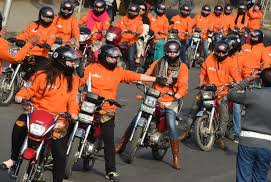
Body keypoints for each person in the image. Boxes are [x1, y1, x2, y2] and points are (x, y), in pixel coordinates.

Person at [80, 44, 164, 181]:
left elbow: (135, 76)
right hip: (87, 106)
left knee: (108, 140)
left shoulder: (118, 71)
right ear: (102, 56)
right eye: (111, 58)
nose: (114, 60)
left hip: (107, 109)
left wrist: (155, 79)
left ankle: (111, 171)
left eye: (116, 58)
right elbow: (78, 81)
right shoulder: (91, 69)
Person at [0, 46, 81, 182]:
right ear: (61, 61)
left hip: (58, 119)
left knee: (60, 153)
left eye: (74, 62)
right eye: (71, 61)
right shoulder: (41, 75)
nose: (74, 64)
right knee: (19, 125)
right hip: (36, 113)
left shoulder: (73, 80)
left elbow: (74, 98)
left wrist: (73, 112)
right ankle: (14, 158)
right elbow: (28, 88)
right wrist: (20, 95)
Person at [115, 40, 189, 170]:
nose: (171, 54)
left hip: (170, 100)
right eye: (169, 52)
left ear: (178, 53)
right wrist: (138, 80)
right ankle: (123, 143)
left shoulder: (183, 67)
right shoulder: (159, 62)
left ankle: (175, 156)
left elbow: (183, 85)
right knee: (137, 117)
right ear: (166, 52)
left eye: (174, 52)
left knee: (171, 125)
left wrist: (178, 94)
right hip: (154, 96)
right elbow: (147, 74)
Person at [181, 41, 242, 149]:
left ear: (227, 52)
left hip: (222, 92)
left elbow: (237, 77)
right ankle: (186, 131)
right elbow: (202, 72)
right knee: (195, 108)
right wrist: (200, 82)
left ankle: (219, 137)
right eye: (218, 52)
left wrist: (237, 83)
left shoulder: (230, 62)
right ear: (215, 51)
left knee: (224, 114)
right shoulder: (210, 58)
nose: (221, 54)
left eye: (223, 52)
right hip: (207, 89)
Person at [228, 68, 271, 182]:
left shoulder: (252, 94)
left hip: (247, 142)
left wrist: (248, 79)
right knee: (260, 178)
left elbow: (231, 94)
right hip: (267, 144)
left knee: (243, 177)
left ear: (261, 81)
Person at [225, 35, 243, 142]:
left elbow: (245, 72)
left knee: (236, 108)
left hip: (237, 86)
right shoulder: (223, 56)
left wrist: (241, 84)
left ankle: (237, 132)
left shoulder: (243, 57)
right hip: (223, 84)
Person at [115, 3, 143, 71]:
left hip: (131, 42)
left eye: (134, 12)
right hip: (121, 40)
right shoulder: (123, 18)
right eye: (131, 11)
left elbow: (140, 30)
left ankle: (132, 73)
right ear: (128, 11)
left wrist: (136, 33)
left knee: (131, 58)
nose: (132, 13)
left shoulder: (139, 21)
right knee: (113, 53)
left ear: (137, 12)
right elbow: (116, 26)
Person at [135, 2, 151, 66]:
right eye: (139, 8)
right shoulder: (130, 16)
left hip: (139, 36)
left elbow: (145, 32)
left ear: (145, 11)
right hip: (128, 36)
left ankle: (138, 58)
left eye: (143, 9)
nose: (141, 10)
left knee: (139, 41)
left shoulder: (145, 20)